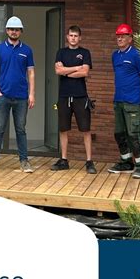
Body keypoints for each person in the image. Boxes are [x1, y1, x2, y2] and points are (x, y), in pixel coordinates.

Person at [0, 16, 35, 173]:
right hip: (4, 96)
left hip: (21, 97)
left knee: (21, 130)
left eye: (17, 29)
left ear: (21, 31)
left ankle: (24, 161)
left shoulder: (27, 50)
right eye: (11, 29)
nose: (14, 32)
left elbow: (31, 73)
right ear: (7, 31)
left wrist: (31, 94)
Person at [108, 23, 140, 179]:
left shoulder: (136, 55)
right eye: (118, 36)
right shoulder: (115, 55)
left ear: (130, 38)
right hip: (118, 101)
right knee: (119, 133)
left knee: (135, 134)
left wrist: (139, 96)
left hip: (132, 102)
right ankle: (126, 162)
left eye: (123, 36)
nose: (119, 38)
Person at [51, 25, 96, 174]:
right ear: (67, 37)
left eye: (76, 36)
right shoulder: (61, 52)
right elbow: (58, 70)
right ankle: (64, 160)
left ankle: (89, 161)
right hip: (64, 96)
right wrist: (77, 68)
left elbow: (85, 72)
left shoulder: (85, 52)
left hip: (80, 96)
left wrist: (66, 71)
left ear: (80, 38)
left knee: (86, 129)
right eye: (71, 35)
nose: (73, 38)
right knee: (63, 129)